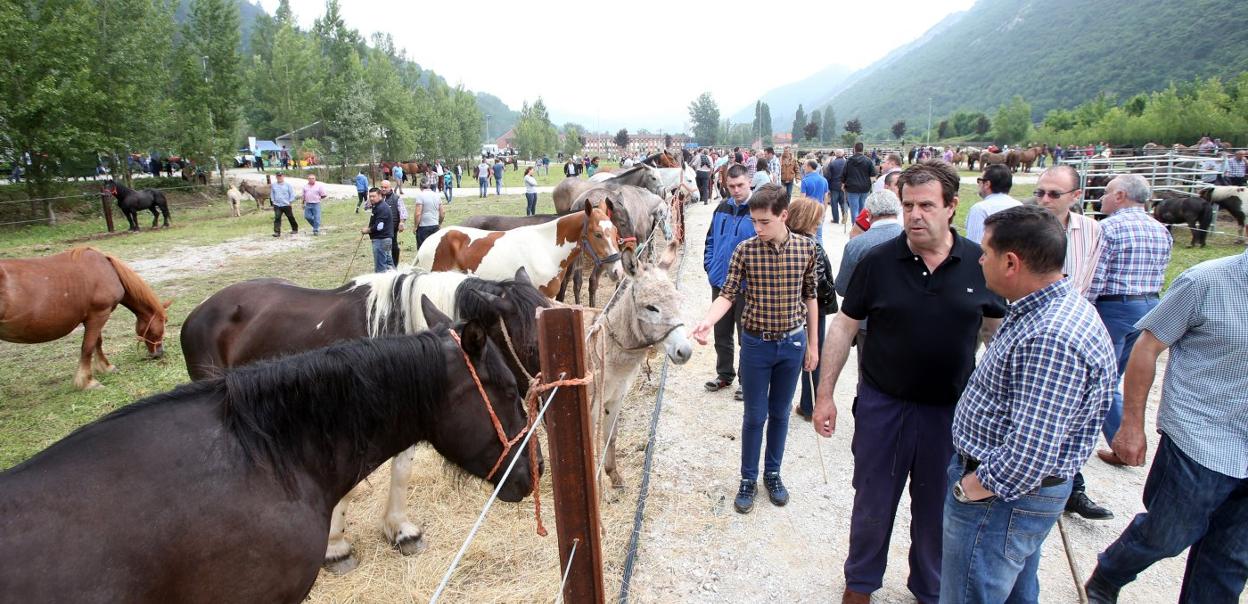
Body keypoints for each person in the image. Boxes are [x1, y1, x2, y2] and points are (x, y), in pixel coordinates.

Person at [814, 161, 1005, 604]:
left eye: (926, 205)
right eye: (907, 205)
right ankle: (859, 585)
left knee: (937, 509)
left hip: (950, 414)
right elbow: (844, 327)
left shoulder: (981, 264)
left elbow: (998, 337)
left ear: (951, 207)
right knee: (872, 505)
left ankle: (929, 589)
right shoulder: (876, 261)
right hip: (884, 406)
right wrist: (825, 395)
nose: (915, 215)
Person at [941, 205, 1116, 603]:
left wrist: (972, 488)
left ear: (1011, 262)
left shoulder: (1050, 335)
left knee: (972, 593)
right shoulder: (1045, 309)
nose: (980, 260)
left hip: (1000, 499)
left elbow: (1030, 451)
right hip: (1013, 500)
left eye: (985, 252)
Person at [1084, 248, 1248, 604]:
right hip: (1201, 438)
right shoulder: (1205, 281)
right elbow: (1147, 346)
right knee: (1167, 535)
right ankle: (1110, 572)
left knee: (1231, 558)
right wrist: (1131, 425)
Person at [690, 184, 819, 514]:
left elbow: (811, 297)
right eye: (754, 221)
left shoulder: (807, 249)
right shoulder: (745, 251)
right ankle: (747, 479)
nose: (757, 228)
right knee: (754, 415)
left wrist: (813, 345)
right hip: (756, 344)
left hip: (792, 343)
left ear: (783, 215)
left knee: (780, 413)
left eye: (764, 222)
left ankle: (772, 474)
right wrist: (707, 321)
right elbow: (727, 293)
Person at [1074, 174, 1172, 520]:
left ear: (1119, 195)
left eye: (1104, 193)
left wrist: (1084, 308)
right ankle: (1123, 438)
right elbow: (1162, 270)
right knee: (1117, 378)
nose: (1101, 199)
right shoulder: (1160, 229)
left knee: (1099, 382)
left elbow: (1096, 274)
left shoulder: (1110, 230)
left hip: (1114, 307)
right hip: (1149, 306)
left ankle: (1114, 442)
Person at [702, 164, 756, 400]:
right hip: (720, 282)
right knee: (721, 333)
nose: (735, 190)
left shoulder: (758, 210)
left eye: (740, 185)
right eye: (731, 186)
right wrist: (710, 266)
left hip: (746, 287)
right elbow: (711, 239)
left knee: (747, 336)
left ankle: (748, 381)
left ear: (749, 182)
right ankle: (724, 374)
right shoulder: (721, 208)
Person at [784, 196, 837, 421]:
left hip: (794, 310)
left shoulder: (787, 242)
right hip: (811, 310)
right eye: (816, 220)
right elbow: (817, 285)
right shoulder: (810, 246)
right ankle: (810, 404)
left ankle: (802, 404)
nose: (819, 224)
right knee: (812, 357)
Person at [1035, 165, 1100, 295]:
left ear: (1076, 195)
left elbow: (1089, 278)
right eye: (1040, 193)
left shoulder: (1091, 228)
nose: (1045, 200)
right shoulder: (1020, 227)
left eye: (1054, 194)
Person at [965, 164, 1022, 244]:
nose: (978, 184)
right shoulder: (1020, 206)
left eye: (979, 180)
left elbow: (974, 245)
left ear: (987, 184)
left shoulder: (980, 209)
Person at [362, 187, 394, 273]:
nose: (371, 198)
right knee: (389, 264)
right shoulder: (378, 206)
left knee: (381, 267)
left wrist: (367, 230)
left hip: (381, 240)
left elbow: (379, 227)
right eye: (370, 196)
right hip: (386, 239)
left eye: (374, 196)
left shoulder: (381, 208)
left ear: (380, 195)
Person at [844, 142, 876, 220]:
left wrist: (843, 184)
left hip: (852, 188)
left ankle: (855, 227)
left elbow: (844, 174)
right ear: (863, 149)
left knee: (854, 209)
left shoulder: (849, 161)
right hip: (865, 188)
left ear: (854, 149)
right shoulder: (868, 161)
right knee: (862, 210)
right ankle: (861, 227)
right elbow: (873, 177)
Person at [378, 180, 407, 264]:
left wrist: (401, 223)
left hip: (391, 227)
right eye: (382, 187)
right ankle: (384, 264)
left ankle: (394, 265)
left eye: (385, 187)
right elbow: (366, 207)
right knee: (381, 246)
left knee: (393, 246)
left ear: (390, 188)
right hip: (379, 228)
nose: (383, 189)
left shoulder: (396, 198)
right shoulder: (378, 197)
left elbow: (403, 212)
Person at [411, 181, 443, 249]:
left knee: (422, 250)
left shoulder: (420, 196)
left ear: (420, 187)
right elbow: (442, 213)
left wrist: (415, 226)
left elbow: (418, 213)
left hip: (423, 227)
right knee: (434, 249)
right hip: (435, 225)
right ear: (429, 186)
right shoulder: (437, 195)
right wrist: (439, 223)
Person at [823, 149, 848, 224]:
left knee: (834, 203)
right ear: (843, 154)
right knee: (843, 202)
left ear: (836, 155)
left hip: (834, 186)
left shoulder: (832, 163)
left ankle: (835, 219)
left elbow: (828, 176)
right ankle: (845, 213)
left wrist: (827, 186)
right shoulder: (847, 163)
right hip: (844, 185)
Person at [269, 172, 297, 237]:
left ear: (283, 176)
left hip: (286, 204)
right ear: (276, 177)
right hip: (277, 205)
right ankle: (277, 232)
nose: (279, 177)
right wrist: (273, 201)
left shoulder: (288, 185)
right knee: (277, 218)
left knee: (290, 217)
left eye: (280, 176)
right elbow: (272, 194)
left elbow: (292, 194)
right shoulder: (274, 185)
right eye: (278, 176)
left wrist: (290, 201)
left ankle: (295, 229)